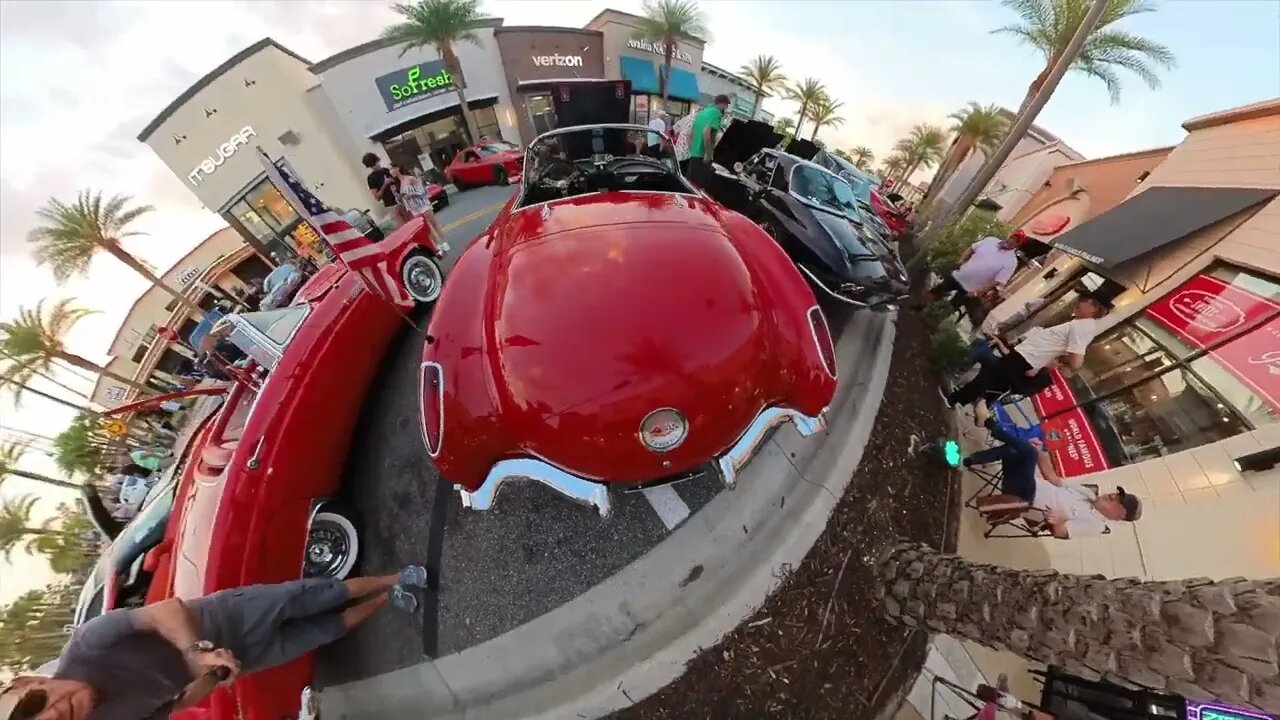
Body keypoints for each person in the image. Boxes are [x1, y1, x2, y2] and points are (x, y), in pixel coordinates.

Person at [0, 568, 429, 720]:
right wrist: (216, 677)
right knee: (326, 630)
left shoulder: (89, 644)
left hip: (229, 616)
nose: (57, 711)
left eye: (38, 704)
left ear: (31, 680)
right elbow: (174, 706)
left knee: (324, 594)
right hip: (240, 659)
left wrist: (197, 650)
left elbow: (164, 609)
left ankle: (397, 577)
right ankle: (389, 600)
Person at [966, 419, 1142, 538]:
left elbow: (1061, 533)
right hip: (1023, 482)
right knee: (1020, 451)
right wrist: (1041, 451)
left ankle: (993, 427)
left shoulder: (1095, 525)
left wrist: (1061, 520)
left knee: (1026, 453)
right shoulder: (1088, 493)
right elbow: (1053, 478)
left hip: (1023, 502)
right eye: (1116, 494)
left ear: (1118, 515)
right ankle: (971, 458)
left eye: (1117, 500)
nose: (1112, 496)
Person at [945, 290, 1112, 409]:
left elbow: (1076, 362)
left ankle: (957, 400)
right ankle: (964, 400)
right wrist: (1044, 362)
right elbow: (1056, 348)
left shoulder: (1082, 327)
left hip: (1024, 359)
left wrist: (1055, 362)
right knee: (992, 379)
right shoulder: (1080, 324)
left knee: (989, 375)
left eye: (1084, 300)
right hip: (1025, 357)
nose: (1078, 301)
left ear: (1094, 308)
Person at [925, 230, 1027, 313]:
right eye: (1013, 237)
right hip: (960, 275)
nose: (1012, 241)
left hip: (970, 288)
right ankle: (917, 308)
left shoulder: (1011, 262)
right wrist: (960, 261)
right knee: (936, 292)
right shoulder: (991, 240)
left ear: (1018, 244)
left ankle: (931, 323)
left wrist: (977, 292)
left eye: (1016, 241)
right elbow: (972, 248)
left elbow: (997, 281)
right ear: (1010, 235)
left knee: (950, 308)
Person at [390, 165, 450, 253]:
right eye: (390, 170)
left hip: (422, 204)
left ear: (397, 168)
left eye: (392, 169)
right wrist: (398, 197)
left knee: (433, 224)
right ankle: (437, 244)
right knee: (426, 228)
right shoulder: (398, 184)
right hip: (414, 208)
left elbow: (422, 190)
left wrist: (411, 194)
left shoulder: (410, 178)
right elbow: (402, 201)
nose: (391, 172)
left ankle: (443, 243)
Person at [687, 94, 731, 187]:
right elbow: (706, 132)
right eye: (726, 105)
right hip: (703, 157)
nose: (726, 108)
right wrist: (708, 154)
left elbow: (689, 134)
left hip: (694, 156)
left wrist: (692, 150)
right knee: (702, 189)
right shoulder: (716, 113)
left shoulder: (701, 113)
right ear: (722, 104)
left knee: (691, 186)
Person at [362, 152, 402, 230]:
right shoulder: (371, 178)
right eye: (372, 165)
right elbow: (377, 197)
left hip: (401, 200)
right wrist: (385, 184)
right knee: (402, 226)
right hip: (391, 205)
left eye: (375, 163)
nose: (375, 166)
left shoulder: (386, 170)